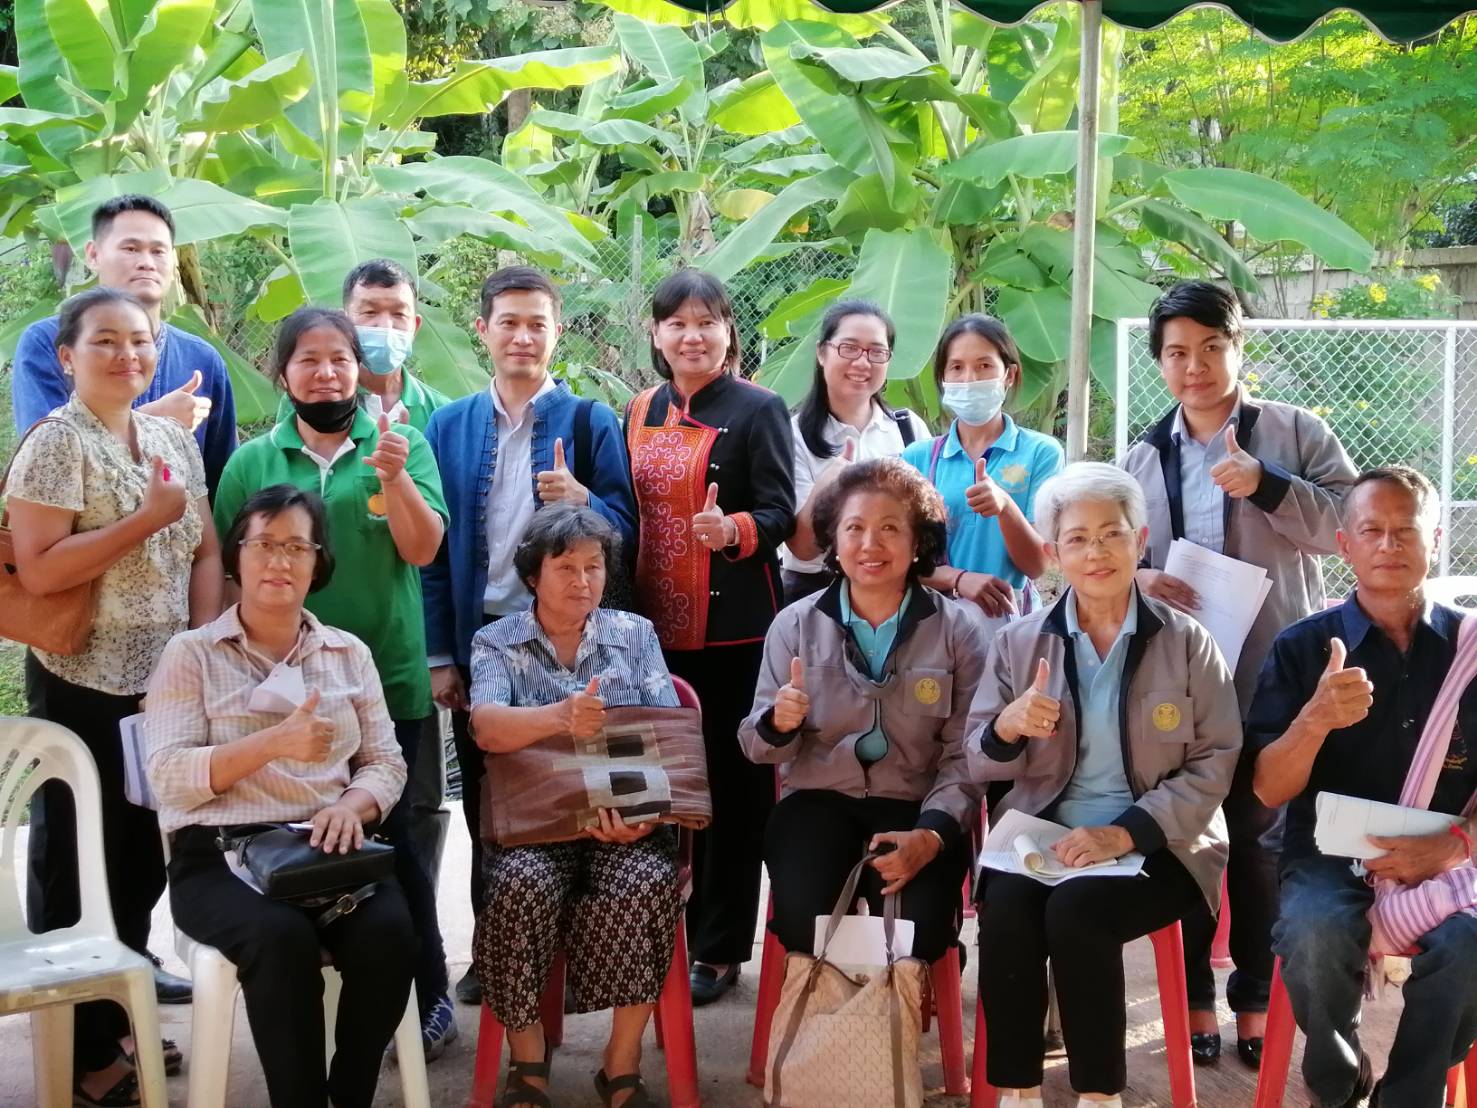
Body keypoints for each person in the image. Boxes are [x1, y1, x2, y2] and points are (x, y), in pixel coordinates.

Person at [1120, 280, 1358, 1067]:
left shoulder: (1294, 432)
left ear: (1237, 347)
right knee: (1185, 838)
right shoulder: (1141, 457)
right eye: (1176, 353)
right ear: (1158, 361)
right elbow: (1112, 555)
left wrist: (1268, 485)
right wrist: (1142, 579)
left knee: (1259, 842)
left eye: (1210, 347)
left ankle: (1253, 996)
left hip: (1273, 672)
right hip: (1177, 684)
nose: (1194, 366)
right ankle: (1192, 996)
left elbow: (1348, 525)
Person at [211, 307, 457, 1057]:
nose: (325, 373)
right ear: (283, 374)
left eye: (340, 359)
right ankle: (319, 1003)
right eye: (308, 360)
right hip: (279, 695)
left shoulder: (401, 444)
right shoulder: (253, 461)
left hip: (389, 680)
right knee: (300, 839)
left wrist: (393, 476)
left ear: (360, 369)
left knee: (402, 847)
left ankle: (429, 997)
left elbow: (423, 549)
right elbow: (228, 574)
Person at [966, 463, 1241, 1108]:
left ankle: (1098, 1094)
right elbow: (978, 759)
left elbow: (1217, 761)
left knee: (1078, 911)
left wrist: (1125, 834)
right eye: (1078, 539)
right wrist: (1006, 727)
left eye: (1112, 534)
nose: (1096, 553)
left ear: (1139, 540)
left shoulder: (1187, 642)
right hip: (1044, 835)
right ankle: (1017, 1089)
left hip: (1164, 843)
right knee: (1007, 908)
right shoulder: (1019, 642)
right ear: (1054, 551)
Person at [8, 287, 223, 1106]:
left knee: (137, 863)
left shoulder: (170, 438)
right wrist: (145, 518)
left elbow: (205, 551)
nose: (126, 354)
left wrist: (197, 651)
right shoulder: (55, 443)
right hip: (82, 686)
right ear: (67, 356)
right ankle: (82, 1054)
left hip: (161, 687)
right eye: (105, 341)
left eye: (140, 340)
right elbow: (39, 571)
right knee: (75, 864)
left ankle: (116, 1014)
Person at [146, 485, 413, 1108]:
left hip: (325, 851)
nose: (279, 561)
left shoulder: (348, 653)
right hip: (219, 857)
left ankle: (349, 1096)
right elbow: (168, 775)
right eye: (264, 544)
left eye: (297, 547)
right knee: (280, 939)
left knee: (392, 931)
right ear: (236, 557)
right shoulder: (191, 654)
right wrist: (272, 743)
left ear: (318, 563)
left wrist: (351, 806)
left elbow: (386, 762)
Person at [421, 264, 638, 1007]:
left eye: (536, 323)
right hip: (485, 638)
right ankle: (495, 952)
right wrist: (441, 654)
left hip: (572, 636)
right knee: (491, 802)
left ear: (557, 332)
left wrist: (586, 501)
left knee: (579, 793)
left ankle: (572, 954)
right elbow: (432, 551)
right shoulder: (449, 426)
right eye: (508, 322)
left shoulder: (590, 421)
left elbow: (626, 532)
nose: (522, 336)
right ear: (482, 330)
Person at [1250, 466, 1477, 1108]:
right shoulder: (1301, 649)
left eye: (1405, 530)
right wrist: (1315, 720)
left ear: (1436, 538)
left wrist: (1456, 844)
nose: (1388, 545)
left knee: (1469, 947)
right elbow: (1267, 789)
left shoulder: (1471, 647)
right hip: (1329, 859)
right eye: (1371, 531)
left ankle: (1408, 1096)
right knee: (1314, 932)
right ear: (1344, 545)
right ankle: (1340, 1081)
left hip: (1453, 856)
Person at [468, 504, 681, 1108]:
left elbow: (665, 731)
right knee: (518, 888)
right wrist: (560, 717)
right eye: (566, 567)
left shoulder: (634, 634)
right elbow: (486, 728)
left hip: (624, 822)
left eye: (594, 566)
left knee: (647, 883)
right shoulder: (497, 641)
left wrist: (642, 819)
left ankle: (621, 1060)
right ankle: (528, 1055)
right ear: (532, 575)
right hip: (536, 828)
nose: (583, 580)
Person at [624, 267, 796, 1005]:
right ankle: (655, 932)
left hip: (735, 637)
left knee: (732, 793)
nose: (692, 336)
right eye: (677, 323)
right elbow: (622, 509)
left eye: (706, 322)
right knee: (658, 790)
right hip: (649, 635)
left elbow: (783, 513)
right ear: (656, 334)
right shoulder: (637, 410)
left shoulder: (759, 408)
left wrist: (733, 531)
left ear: (729, 331)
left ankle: (719, 947)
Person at [741, 458, 983, 966]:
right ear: (833, 540)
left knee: (918, 932)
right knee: (805, 924)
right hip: (818, 802)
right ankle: (842, 1006)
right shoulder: (795, 625)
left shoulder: (958, 631)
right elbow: (756, 747)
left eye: (890, 528)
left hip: (917, 804)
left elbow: (967, 755)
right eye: (854, 528)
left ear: (918, 543)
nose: (870, 544)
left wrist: (932, 835)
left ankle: (907, 980)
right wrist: (778, 723)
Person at [336, 258, 455, 916]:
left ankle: (417, 932)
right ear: (345, 319)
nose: (384, 327)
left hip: (411, 647)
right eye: (369, 313)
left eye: (397, 314)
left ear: (416, 324)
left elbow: (443, 543)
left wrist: (441, 650)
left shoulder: (441, 416)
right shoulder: (319, 408)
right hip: (330, 645)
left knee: (417, 801)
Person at [12, 195, 237, 497]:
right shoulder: (48, 342)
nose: (146, 262)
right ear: (93, 254)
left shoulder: (202, 359)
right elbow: (44, 461)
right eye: (131, 248)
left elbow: (222, 482)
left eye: (158, 250)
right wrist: (155, 422)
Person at [901, 314, 1062, 619]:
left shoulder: (1041, 452)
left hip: (1008, 617)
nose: (969, 379)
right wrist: (958, 579)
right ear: (943, 378)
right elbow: (900, 560)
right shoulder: (917, 458)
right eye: (956, 367)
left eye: (984, 365)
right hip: (933, 619)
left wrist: (1006, 508)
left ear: (1009, 375)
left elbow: (1037, 566)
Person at [780, 301, 929, 604]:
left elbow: (927, 526)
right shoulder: (791, 436)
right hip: (816, 595)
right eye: (849, 348)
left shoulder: (908, 429)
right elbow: (803, 548)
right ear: (822, 353)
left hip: (896, 592)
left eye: (877, 352)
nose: (863, 362)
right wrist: (829, 483)